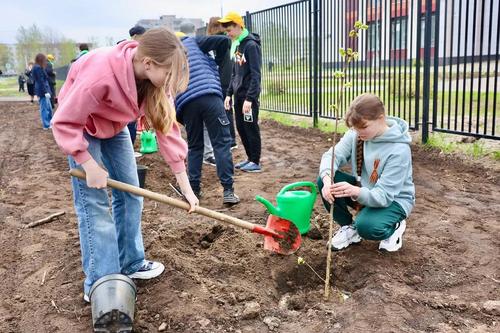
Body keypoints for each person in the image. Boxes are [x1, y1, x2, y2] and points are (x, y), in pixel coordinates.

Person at [51, 28, 199, 302]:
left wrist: (187, 190)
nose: (170, 83)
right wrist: (88, 163)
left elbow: (168, 134)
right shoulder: (101, 74)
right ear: (148, 64)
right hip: (81, 126)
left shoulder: (155, 85)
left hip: (114, 126)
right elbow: (64, 120)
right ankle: (101, 281)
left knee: (131, 193)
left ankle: (130, 262)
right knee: (94, 204)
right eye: (168, 75)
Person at [318, 93, 415, 252]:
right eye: (354, 128)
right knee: (324, 180)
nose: (358, 132)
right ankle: (349, 228)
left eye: (363, 127)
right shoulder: (357, 134)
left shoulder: (399, 150)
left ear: (381, 119)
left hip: (393, 200)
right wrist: (327, 180)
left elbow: (384, 196)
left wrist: (355, 191)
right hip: (366, 192)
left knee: (367, 226)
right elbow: (332, 156)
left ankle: (395, 226)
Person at [175, 31, 240, 205]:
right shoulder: (193, 41)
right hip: (210, 95)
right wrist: (219, 63)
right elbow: (224, 40)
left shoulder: (170, 52)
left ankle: (194, 190)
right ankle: (228, 191)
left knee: (195, 146)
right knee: (221, 143)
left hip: (186, 102)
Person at [219, 12, 263, 173]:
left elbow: (256, 75)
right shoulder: (238, 45)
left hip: (248, 98)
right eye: (226, 31)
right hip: (238, 96)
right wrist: (229, 94)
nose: (227, 33)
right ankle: (250, 158)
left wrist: (250, 98)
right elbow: (235, 73)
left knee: (250, 127)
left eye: (229, 29)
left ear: (239, 26)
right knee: (241, 127)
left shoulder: (251, 45)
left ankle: (256, 161)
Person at [180, 21, 217, 167]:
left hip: (185, 96)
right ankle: (206, 154)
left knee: (192, 130)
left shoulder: (175, 46)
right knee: (204, 126)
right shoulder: (198, 44)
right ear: (194, 30)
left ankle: (195, 156)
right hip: (200, 91)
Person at [207, 17, 238, 150]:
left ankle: (229, 140)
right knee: (227, 109)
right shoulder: (228, 39)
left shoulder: (216, 41)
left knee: (224, 110)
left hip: (221, 79)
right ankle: (231, 140)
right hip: (230, 78)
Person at [126, 25, 147, 144]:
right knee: (129, 123)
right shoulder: (130, 51)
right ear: (135, 36)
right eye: (143, 36)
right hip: (129, 93)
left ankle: (129, 147)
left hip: (136, 93)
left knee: (132, 122)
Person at [32, 53, 53, 129]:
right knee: (44, 108)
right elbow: (41, 80)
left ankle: (49, 122)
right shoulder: (37, 67)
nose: (45, 61)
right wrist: (45, 92)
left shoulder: (38, 67)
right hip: (42, 90)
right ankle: (46, 125)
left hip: (43, 89)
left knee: (48, 107)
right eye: (44, 59)